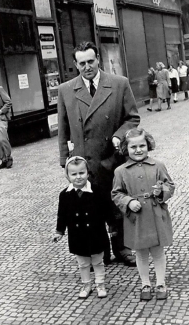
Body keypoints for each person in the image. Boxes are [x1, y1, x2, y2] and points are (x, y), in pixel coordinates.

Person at [57, 41, 140, 266]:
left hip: (112, 158)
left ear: (98, 60)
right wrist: (65, 159)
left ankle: (122, 247)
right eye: (82, 63)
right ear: (75, 64)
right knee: (89, 208)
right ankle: (100, 251)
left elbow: (132, 118)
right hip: (84, 162)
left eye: (91, 61)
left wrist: (119, 136)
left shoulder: (119, 84)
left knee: (116, 205)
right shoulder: (66, 89)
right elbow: (63, 127)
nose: (87, 67)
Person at [111, 127, 175, 301]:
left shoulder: (158, 165)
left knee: (158, 251)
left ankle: (161, 283)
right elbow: (116, 194)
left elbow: (170, 185)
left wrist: (162, 191)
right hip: (136, 219)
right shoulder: (120, 171)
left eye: (142, 146)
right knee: (140, 253)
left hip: (156, 215)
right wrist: (129, 202)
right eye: (133, 147)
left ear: (148, 145)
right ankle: (145, 283)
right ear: (126, 148)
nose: (138, 150)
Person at [54, 156, 115, 299]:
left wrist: (112, 226)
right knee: (83, 263)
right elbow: (61, 215)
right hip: (77, 235)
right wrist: (59, 231)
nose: (78, 177)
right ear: (67, 176)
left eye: (81, 173)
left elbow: (107, 210)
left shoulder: (97, 191)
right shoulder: (65, 195)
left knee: (98, 261)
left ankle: (100, 284)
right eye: (73, 174)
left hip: (96, 234)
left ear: (88, 172)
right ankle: (86, 285)